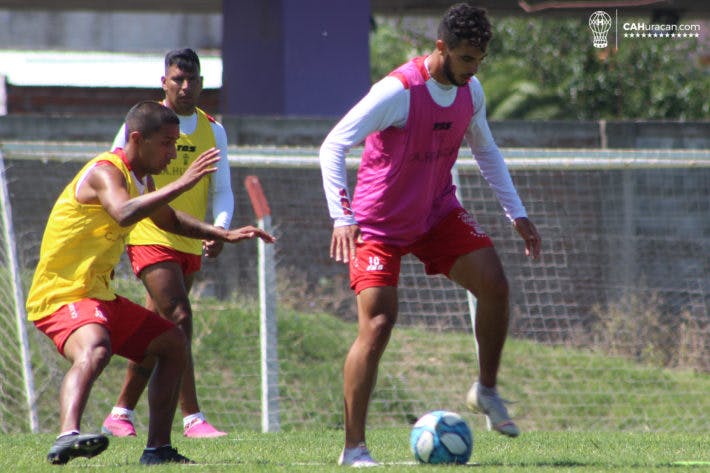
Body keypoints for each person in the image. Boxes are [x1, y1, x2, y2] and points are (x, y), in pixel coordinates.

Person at [319, 3, 541, 467]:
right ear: (441, 47)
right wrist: (342, 217)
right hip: (378, 223)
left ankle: (486, 388)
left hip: (436, 213)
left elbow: (486, 150)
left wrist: (516, 212)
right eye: (465, 59)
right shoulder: (398, 91)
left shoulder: (471, 91)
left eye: (479, 60)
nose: (473, 68)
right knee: (378, 324)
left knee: (495, 285)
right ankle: (354, 448)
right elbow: (334, 144)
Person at [26, 101, 275, 465]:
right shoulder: (104, 172)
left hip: (98, 295)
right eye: (167, 143)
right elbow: (125, 211)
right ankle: (67, 435)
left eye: (175, 143)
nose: (173, 153)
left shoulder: (141, 177)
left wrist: (222, 233)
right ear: (138, 139)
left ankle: (158, 450)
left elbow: (168, 219)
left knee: (173, 342)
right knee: (96, 347)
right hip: (61, 295)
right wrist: (186, 182)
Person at [102, 48, 235, 439]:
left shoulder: (214, 130)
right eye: (178, 79)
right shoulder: (143, 122)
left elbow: (223, 190)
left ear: (202, 84)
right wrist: (110, 241)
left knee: (156, 331)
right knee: (179, 316)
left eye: (192, 79)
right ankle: (192, 418)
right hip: (149, 235)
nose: (186, 86)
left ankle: (120, 411)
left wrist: (219, 228)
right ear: (164, 82)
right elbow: (113, 168)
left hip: (189, 241)